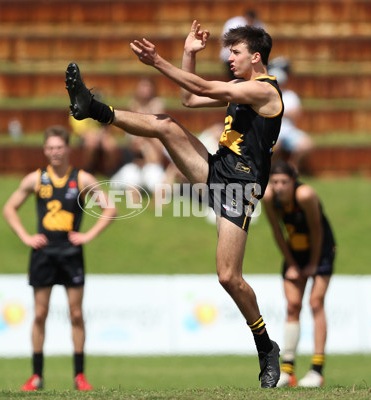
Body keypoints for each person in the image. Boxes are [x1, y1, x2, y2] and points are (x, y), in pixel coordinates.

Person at [65, 20, 283, 388]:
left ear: (255, 56)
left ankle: (266, 347)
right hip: (215, 170)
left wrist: (159, 61)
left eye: (235, 51)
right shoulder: (238, 87)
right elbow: (189, 99)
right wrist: (188, 53)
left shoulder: (266, 92)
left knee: (228, 276)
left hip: (240, 189)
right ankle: (95, 109)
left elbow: (199, 86)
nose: (229, 57)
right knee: (167, 125)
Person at [2, 125, 117, 391]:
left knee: (76, 314)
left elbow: (110, 208)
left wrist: (88, 235)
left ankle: (79, 376)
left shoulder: (82, 178)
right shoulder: (36, 179)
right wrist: (25, 236)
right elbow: (9, 208)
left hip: (70, 252)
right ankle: (36, 376)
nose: (55, 152)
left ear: (68, 149)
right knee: (40, 314)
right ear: (45, 150)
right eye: (50, 148)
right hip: (43, 253)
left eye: (59, 147)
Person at [261, 159, 336, 388]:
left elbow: (317, 229)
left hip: (321, 250)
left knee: (315, 303)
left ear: (293, 181)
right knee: (293, 306)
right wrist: (292, 264)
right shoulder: (269, 198)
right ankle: (288, 371)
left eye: (284, 182)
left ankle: (316, 371)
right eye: (275, 182)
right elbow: (277, 232)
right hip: (295, 251)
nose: (279, 186)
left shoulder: (305, 195)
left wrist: (313, 264)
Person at [267, 57, 314, 173]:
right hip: (271, 130)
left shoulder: (290, 95)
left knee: (306, 144)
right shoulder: (266, 96)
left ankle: (292, 169)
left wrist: (276, 112)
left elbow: (296, 113)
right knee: (275, 145)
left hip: (289, 131)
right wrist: (284, 113)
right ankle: (271, 170)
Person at [219, 10, 266, 80]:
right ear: (245, 17)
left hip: (248, 59)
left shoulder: (259, 25)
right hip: (230, 55)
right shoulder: (233, 23)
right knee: (234, 79)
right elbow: (225, 40)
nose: (250, 22)